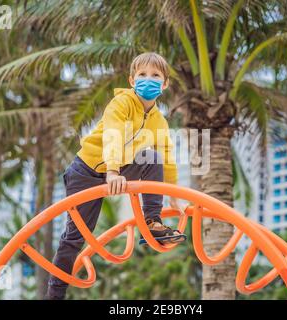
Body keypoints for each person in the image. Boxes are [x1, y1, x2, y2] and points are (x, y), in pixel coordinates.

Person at [46, 52, 186, 300]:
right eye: (142, 75)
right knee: (74, 237)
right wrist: (112, 171)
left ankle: (152, 222)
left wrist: (173, 195)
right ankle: (54, 295)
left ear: (165, 84)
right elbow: (113, 134)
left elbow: (167, 158)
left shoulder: (159, 122)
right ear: (132, 80)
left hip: (119, 170)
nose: (148, 80)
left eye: (155, 76)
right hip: (86, 171)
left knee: (153, 158)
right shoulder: (121, 103)